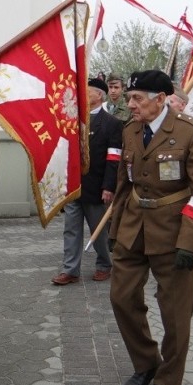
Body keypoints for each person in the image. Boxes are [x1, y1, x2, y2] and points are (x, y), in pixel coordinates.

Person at [108, 70, 193, 385]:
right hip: (133, 227)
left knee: (174, 312)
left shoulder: (188, 132)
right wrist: (114, 231)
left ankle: (168, 380)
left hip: (173, 232)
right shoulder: (130, 130)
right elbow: (125, 185)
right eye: (129, 97)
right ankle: (146, 363)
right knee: (121, 297)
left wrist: (189, 241)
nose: (131, 104)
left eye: (138, 98)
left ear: (160, 99)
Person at [52, 78, 123, 286]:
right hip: (74, 185)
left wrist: (109, 187)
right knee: (71, 228)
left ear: (99, 95)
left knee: (98, 229)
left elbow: (113, 158)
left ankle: (104, 265)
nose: (82, 94)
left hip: (97, 187)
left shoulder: (112, 123)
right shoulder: (72, 120)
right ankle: (70, 269)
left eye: (87, 91)